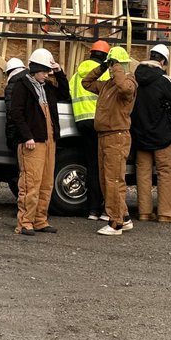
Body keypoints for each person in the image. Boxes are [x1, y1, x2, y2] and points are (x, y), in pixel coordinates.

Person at [8, 48, 68, 236]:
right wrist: (27, 136)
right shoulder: (21, 86)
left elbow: (65, 94)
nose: (46, 74)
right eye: (44, 71)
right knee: (30, 183)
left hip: (49, 140)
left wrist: (59, 72)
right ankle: (25, 222)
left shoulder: (47, 87)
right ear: (35, 69)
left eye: (48, 71)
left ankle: (40, 220)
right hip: (32, 142)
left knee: (46, 183)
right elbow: (16, 113)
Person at [83, 46, 137, 236]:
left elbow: (124, 88)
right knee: (108, 179)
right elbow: (86, 82)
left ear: (121, 66)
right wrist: (103, 67)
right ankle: (124, 217)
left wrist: (117, 67)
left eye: (114, 65)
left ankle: (116, 223)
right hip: (105, 136)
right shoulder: (107, 84)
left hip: (117, 136)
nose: (113, 69)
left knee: (113, 180)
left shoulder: (129, 82)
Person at [132, 44, 171, 223]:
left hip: (139, 132)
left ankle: (144, 212)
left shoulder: (134, 77)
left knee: (143, 172)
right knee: (165, 171)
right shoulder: (163, 80)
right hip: (161, 134)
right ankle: (165, 213)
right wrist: (167, 107)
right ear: (163, 61)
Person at [69, 40, 111, 220]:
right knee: (105, 166)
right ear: (105, 57)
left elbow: (69, 94)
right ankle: (105, 209)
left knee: (92, 165)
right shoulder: (104, 72)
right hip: (100, 123)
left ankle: (93, 210)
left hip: (81, 122)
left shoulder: (76, 75)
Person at [1, 56, 28, 153]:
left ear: (9, 72)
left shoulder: (11, 87)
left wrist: (11, 138)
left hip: (20, 135)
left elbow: (12, 114)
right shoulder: (33, 81)